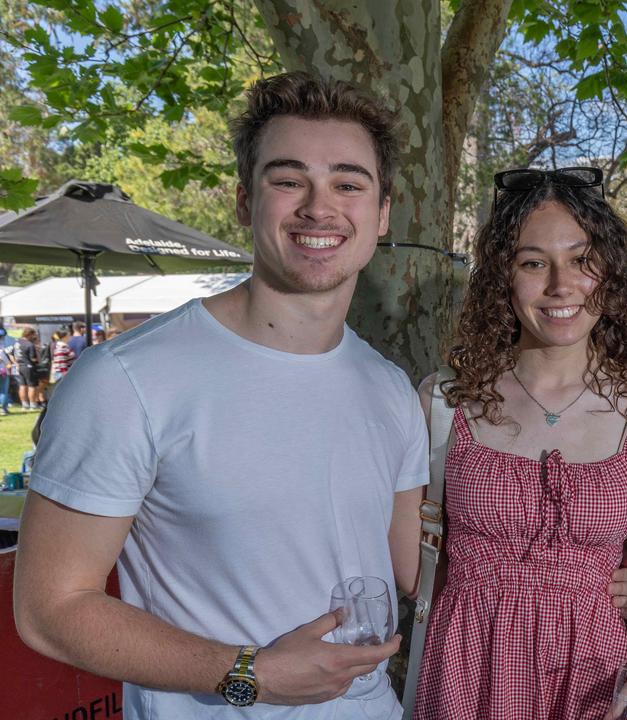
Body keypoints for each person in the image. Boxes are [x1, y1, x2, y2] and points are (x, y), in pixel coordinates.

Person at [15, 72, 428, 719]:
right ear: (244, 201)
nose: (320, 207)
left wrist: (593, 571)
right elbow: (50, 608)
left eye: (348, 183)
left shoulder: (390, 388)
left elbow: (416, 573)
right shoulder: (127, 380)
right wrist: (251, 675)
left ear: (381, 213)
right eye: (289, 180)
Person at [411, 166, 627, 720]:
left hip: (593, 681)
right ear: (502, 278)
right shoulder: (444, 403)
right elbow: (406, 563)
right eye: (533, 263)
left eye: (582, 260)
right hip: (466, 676)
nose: (561, 285)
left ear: (611, 273)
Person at [14, 327, 39, 410]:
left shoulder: (17, 343)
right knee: (32, 386)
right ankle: (33, 404)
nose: (34, 336)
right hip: (28, 366)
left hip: (19, 366)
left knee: (22, 386)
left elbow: (11, 353)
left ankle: (24, 405)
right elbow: (33, 358)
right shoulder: (29, 344)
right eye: (33, 334)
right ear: (30, 334)